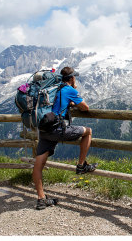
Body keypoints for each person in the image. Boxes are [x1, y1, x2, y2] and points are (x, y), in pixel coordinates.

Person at [32, 66, 97, 210]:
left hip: (44, 128)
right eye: (75, 78)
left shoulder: (54, 89)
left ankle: (41, 199)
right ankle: (81, 166)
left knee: (39, 163)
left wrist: (70, 103)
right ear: (72, 78)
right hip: (57, 128)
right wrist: (75, 101)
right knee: (88, 131)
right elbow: (85, 107)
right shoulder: (69, 90)